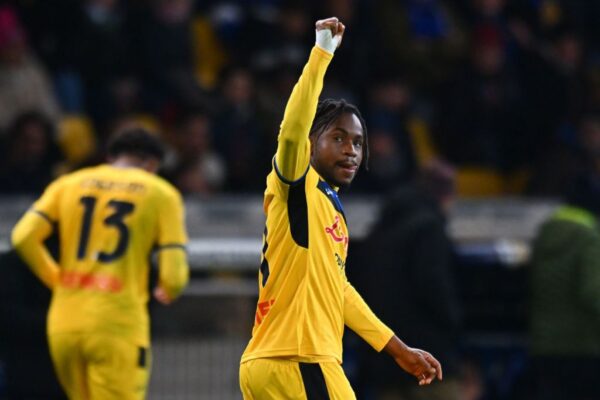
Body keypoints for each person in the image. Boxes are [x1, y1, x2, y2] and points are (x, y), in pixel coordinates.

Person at [239, 17, 442, 399]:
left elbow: (338, 290)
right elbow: (291, 133)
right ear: (311, 144)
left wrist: (397, 348)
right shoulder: (298, 183)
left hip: (272, 361)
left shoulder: (327, 205)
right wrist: (321, 53)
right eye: (338, 138)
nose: (351, 150)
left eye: (358, 142)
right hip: (300, 358)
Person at [11, 128, 190, 399]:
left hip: (65, 322)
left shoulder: (68, 183)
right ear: (152, 164)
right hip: (116, 323)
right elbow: (174, 276)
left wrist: (57, 279)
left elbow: (23, 237)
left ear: (110, 157)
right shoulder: (161, 193)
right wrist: (170, 287)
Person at [353, 160, 463, 400]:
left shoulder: (381, 228)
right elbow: (434, 287)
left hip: (386, 358)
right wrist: (455, 324)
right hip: (428, 356)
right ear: (445, 195)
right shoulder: (429, 229)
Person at [529, 172, 600, 400]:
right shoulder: (589, 238)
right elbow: (593, 292)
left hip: (543, 345)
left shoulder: (544, 234)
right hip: (582, 347)